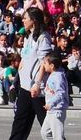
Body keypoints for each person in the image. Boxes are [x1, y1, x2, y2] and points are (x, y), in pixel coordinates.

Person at [10, 7, 53, 140]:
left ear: (33, 20)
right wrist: (16, 81)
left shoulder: (43, 37)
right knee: (20, 123)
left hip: (36, 89)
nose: (23, 20)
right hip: (24, 87)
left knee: (47, 125)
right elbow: (24, 58)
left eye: (25, 18)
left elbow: (43, 63)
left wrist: (37, 83)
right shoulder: (28, 36)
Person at [40, 52, 70, 140]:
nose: (43, 65)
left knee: (58, 136)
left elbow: (60, 92)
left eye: (45, 63)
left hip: (57, 110)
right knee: (45, 133)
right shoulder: (52, 75)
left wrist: (51, 103)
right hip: (51, 111)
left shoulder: (58, 76)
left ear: (52, 65)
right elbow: (50, 91)